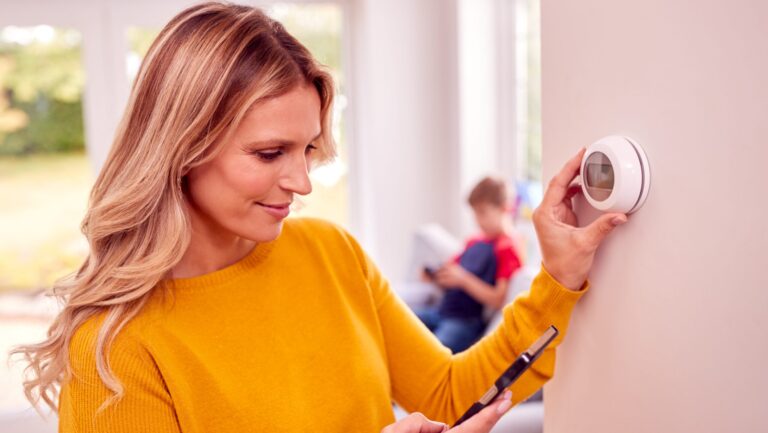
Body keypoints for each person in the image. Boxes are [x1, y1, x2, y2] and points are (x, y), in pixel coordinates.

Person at [11, 3, 627, 432]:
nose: (302, 182)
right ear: (182, 147)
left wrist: (558, 277)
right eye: (268, 153)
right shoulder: (117, 349)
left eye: (307, 149)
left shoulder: (330, 253)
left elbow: (449, 395)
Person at [416, 176, 522, 353]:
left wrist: (463, 280)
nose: (477, 220)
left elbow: (498, 299)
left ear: (505, 208)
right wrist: (436, 275)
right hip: (441, 312)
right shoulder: (474, 241)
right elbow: (452, 269)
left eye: (483, 212)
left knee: (433, 353)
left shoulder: (507, 247)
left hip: (465, 321)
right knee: (399, 324)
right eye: (475, 213)